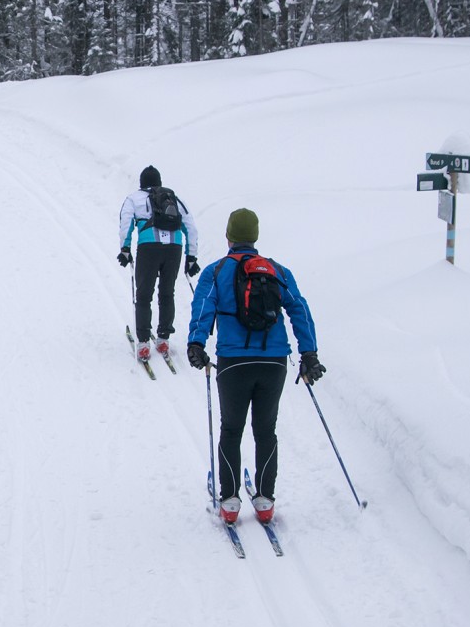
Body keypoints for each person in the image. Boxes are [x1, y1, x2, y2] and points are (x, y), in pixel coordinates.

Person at [185, 208, 324, 525]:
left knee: (231, 430)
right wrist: (309, 353)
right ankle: (264, 501)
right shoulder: (277, 270)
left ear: (229, 237)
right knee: (266, 431)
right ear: (255, 236)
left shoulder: (217, 270)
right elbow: (299, 310)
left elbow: (204, 307)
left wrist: (196, 344)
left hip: (234, 362)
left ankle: (231, 501)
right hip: (273, 361)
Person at [116, 166, 201, 363]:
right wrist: (191, 257)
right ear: (159, 182)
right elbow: (190, 226)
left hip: (148, 248)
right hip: (174, 248)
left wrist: (125, 249)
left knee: (144, 294)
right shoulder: (173, 198)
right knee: (167, 292)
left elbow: (125, 222)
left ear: (141, 183)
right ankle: (163, 339)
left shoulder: (134, 198)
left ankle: (144, 343)